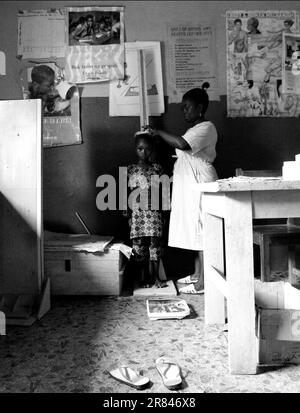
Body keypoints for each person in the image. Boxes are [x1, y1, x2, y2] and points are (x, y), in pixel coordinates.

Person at [145, 83, 218, 294]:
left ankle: (204, 283)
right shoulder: (194, 129)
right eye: (182, 107)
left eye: (187, 107)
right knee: (195, 232)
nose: (184, 111)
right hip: (190, 185)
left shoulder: (207, 127)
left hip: (200, 183)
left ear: (200, 108)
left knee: (203, 232)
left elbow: (182, 144)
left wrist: (157, 131)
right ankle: (197, 275)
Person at [124, 132, 167, 289]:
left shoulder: (157, 168)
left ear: (152, 149)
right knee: (139, 247)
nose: (144, 152)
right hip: (137, 213)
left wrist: (163, 213)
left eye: (148, 149)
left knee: (155, 246)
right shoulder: (131, 169)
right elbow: (126, 194)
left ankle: (156, 278)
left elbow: (162, 193)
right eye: (140, 149)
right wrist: (127, 215)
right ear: (135, 149)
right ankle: (143, 278)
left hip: (154, 212)